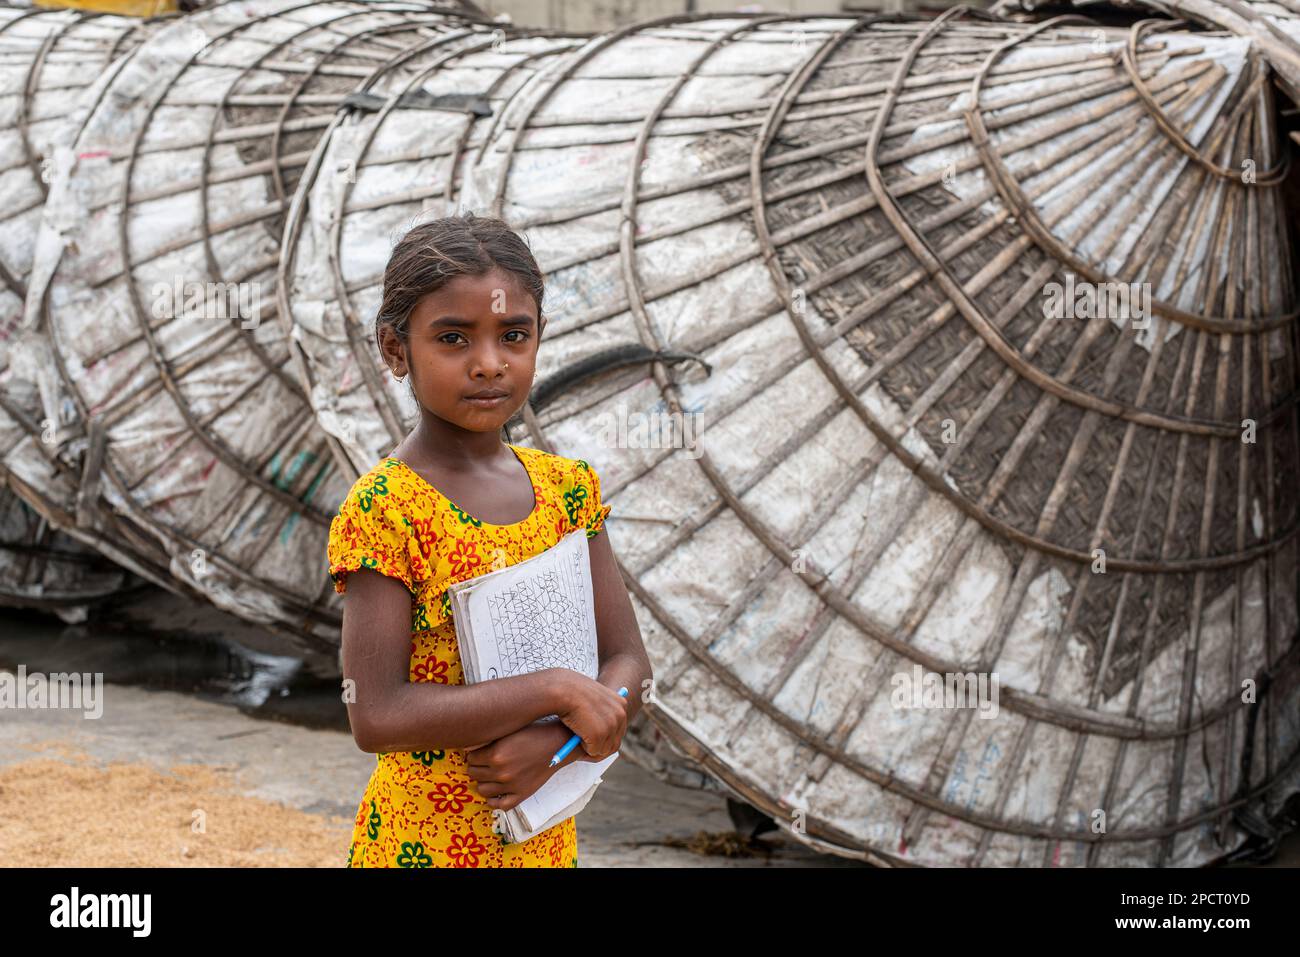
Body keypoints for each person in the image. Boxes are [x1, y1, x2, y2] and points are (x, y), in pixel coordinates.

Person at [326, 213, 652, 867]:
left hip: (541, 838)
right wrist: (555, 691)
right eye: (453, 338)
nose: (489, 364)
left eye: (513, 335)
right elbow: (378, 712)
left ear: (539, 338)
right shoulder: (387, 511)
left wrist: (559, 744)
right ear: (397, 350)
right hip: (421, 848)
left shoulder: (568, 492)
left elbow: (629, 667)